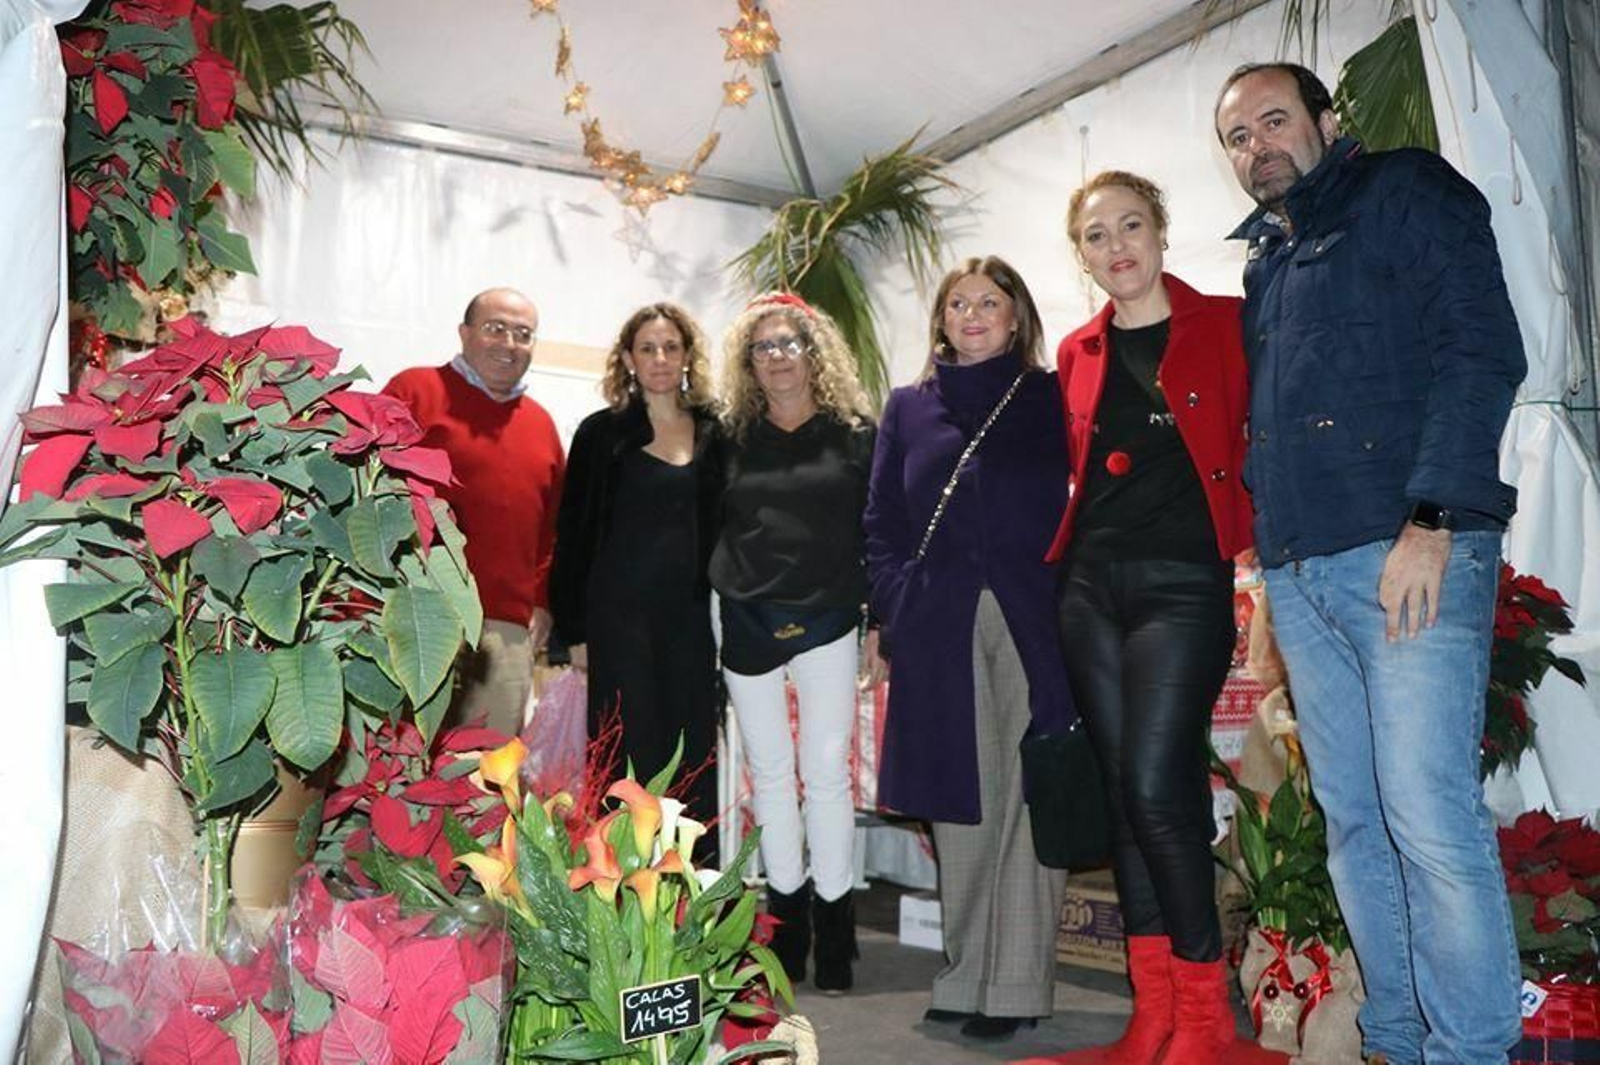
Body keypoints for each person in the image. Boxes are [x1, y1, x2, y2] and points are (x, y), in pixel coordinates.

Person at [1215, 62, 1527, 1065]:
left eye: (1273, 120)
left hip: (1406, 550)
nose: (1258, 144)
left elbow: (1479, 349)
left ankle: (1471, 1051)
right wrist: (1270, 567)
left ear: (1325, 119)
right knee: (1352, 824)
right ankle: (1392, 1039)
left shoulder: (1404, 190)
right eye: (1236, 136)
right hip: (1304, 574)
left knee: (1428, 817)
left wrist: (1433, 516)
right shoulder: (1266, 264)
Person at [1045, 171, 1253, 1065]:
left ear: (1163, 232)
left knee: (1161, 786)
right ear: (1081, 254)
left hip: (1185, 586)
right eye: (1096, 235)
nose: (1117, 246)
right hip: (1091, 587)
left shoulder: (1230, 326)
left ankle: (1206, 1015)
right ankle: (1154, 1010)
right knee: (1125, 798)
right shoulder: (1076, 350)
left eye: (1131, 225)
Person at [864, 256, 1075, 1042]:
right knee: (962, 801)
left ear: (1017, 315)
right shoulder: (907, 408)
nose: (974, 313)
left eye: (990, 301)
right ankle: (963, 973)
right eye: (959, 303)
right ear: (941, 320)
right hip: (939, 623)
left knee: (1029, 792)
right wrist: (897, 601)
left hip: (1034, 615)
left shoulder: (1051, 396)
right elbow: (880, 520)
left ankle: (1016, 983)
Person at [712, 293, 883, 994]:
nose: (778, 356)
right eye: (764, 347)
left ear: (815, 353)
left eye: (790, 344)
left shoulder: (858, 433)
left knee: (827, 772)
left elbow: (878, 533)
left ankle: (837, 930)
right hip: (747, 615)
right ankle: (785, 926)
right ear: (747, 362)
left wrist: (878, 626)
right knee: (769, 774)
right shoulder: (728, 437)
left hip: (832, 616)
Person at [548, 303, 723, 853]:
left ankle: (692, 892)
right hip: (617, 622)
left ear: (688, 356)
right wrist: (573, 632)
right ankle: (618, 891)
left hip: (691, 622)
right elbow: (573, 534)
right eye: (647, 348)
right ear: (628, 358)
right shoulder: (601, 434)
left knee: (691, 752)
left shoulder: (717, 430)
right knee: (626, 753)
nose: (661, 358)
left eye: (671, 346)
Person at [383, 288, 564, 736]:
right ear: (464, 333)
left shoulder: (541, 425)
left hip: (504, 628)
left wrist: (540, 601)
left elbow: (553, 528)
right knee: (399, 758)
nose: (509, 343)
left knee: (489, 774)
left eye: (523, 334)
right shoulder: (414, 390)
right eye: (495, 328)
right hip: (418, 612)